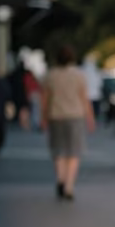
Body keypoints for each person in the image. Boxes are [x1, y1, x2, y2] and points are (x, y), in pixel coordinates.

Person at [42, 45, 95, 199]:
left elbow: (45, 99)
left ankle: (60, 178)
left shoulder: (50, 75)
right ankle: (69, 186)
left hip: (56, 115)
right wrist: (90, 118)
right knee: (74, 152)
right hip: (75, 116)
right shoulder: (79, 75)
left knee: (58, 151)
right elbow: (84, 98)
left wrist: (43, 117)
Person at [8, 60, 31, 130]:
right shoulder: (25, 74)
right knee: (23, 109)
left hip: (16, 94)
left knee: (19, 108)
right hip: (23, 93)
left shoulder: (14, 74)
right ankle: (23, 123)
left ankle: (20, 122)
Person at [82, 53, 103, 122]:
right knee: (94, 116)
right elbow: (100, 84)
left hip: (85, 97)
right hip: (95, 96)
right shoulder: (96, 72)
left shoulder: (82, 71)